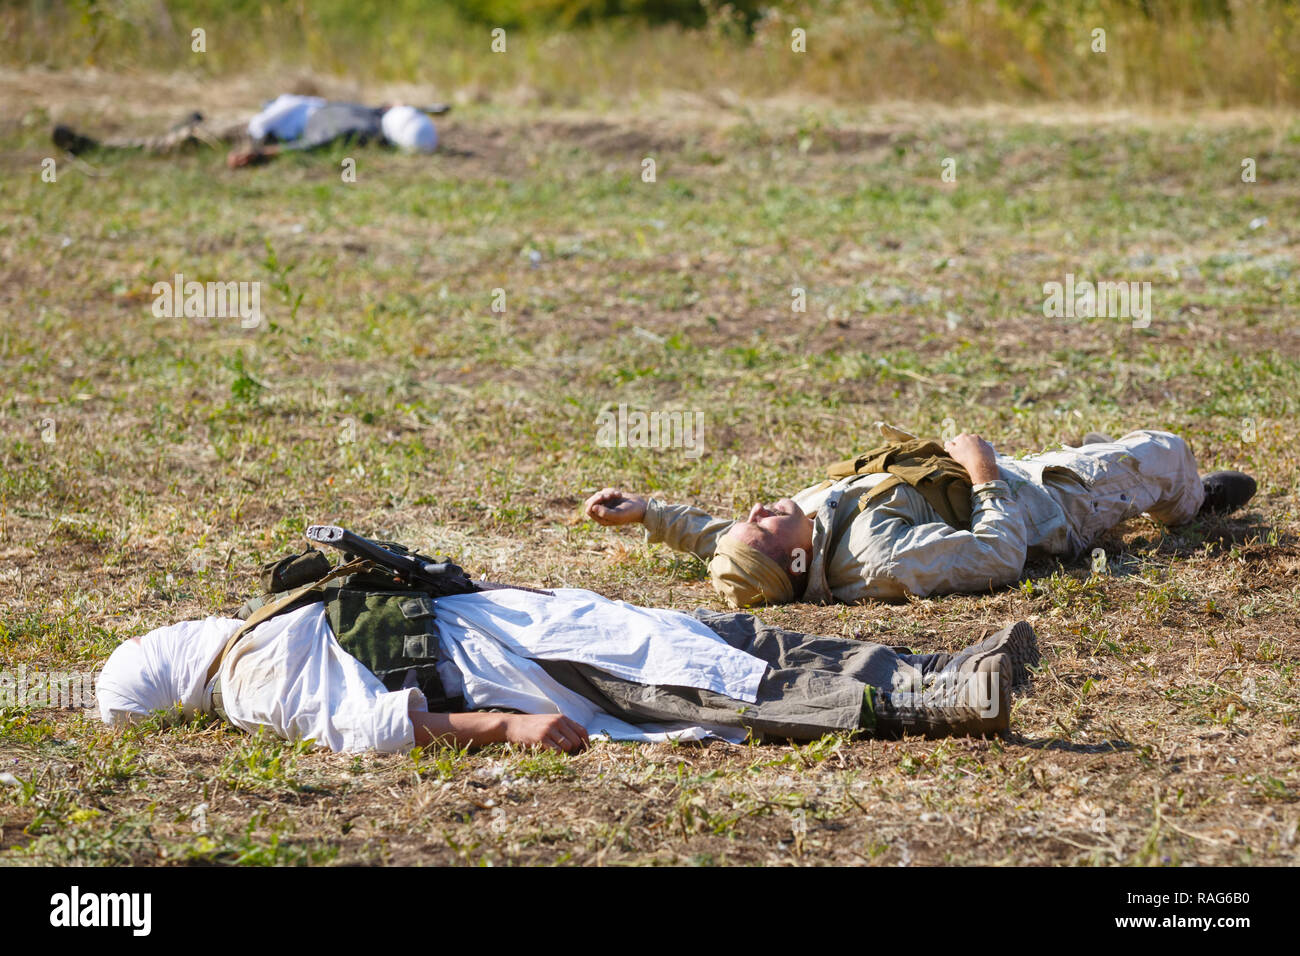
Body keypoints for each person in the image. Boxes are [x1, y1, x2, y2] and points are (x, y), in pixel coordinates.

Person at [95, 580, 1041, 753]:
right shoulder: (254, 672)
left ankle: (941, 665)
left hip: (526, 629)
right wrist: (509, 727)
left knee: (728, 646)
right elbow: (368, 727)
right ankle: (943, 699)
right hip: (527, 654)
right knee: (727, 680)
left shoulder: (260, 638)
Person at [584, 427, 1258, 608]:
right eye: (758, 526)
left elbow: (715, 541)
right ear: (794, 563)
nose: (755, 510)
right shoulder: (880, 560)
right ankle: (1193, 504)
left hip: (1002, 473)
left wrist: (648, 512)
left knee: (1110, 451)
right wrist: (984, 470)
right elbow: (998, 555)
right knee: (1164, 452)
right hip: (1050, 505)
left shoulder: (798, 535)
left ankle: (1098, 459)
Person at [51, 93, 445, 168]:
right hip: (262, 127)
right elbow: (311, 142)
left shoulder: (367, 115)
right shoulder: (360, 125)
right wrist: (258, 150)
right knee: (181, 144)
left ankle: (193, 124)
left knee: (192, 138)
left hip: (266, 125)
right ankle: (103, 149)